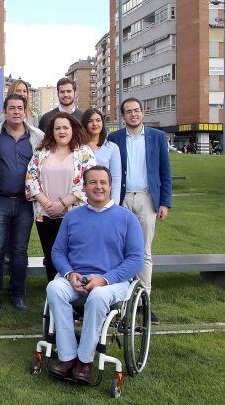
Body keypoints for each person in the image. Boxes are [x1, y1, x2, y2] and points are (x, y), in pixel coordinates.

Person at [46, 166, 144, 382]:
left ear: (110, 186)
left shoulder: (127, 218)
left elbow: (136, 259)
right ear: (84, 187)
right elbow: (58, 251)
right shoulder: (73, 217)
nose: (98, 187)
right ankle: (67, 356)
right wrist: (69, 273)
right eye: (93, 182)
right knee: (54, 288)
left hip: (112, 280)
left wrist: (105, 279)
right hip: (77, 278)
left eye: (103, 182)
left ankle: (85, 361)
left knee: (99, 296)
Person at [108, 98, 172, 323]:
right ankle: (119, 300)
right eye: (128, 112)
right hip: (121, 199)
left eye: (136, 111)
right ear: (123, 116)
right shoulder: (114, 138)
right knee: (117, 251)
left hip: (146, 198)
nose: (133, 115)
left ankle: (144, 302)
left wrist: (164, 202)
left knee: (144, 251)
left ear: (142, 113)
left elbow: (165, 171)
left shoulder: (157, 137)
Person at [0, 94, 44, 312]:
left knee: (19, 251)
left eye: (20, 108)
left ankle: (18, 295)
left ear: (25, 110)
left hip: (25, 203)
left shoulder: (37, 136)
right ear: (5, 110)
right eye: (12, 108)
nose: (16, 111)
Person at [26, 112, 96, 281]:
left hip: (74, 215)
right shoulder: (41, 152)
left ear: (73, 129)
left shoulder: (84, 152)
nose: (62, 131)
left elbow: (89, 181)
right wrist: (48, 204)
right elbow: (31, 178)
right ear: (52, 131)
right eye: (58, 128)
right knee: (51, 257)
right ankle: (54, 296)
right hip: (45, 214)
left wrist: (63, 204)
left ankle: (75, 296)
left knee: (74, 257)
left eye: (66, 127)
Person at [81, 108, 121, 203]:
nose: (95, 124)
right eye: (90, 121)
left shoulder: (112, 148)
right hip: (80, 200)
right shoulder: (78, 147)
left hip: (103, 200)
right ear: (85, 124)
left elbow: (115, 179)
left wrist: (114, 204)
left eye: (98, 120)